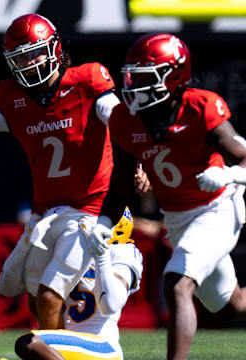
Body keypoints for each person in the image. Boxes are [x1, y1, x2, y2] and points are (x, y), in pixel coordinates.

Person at [0, 13, 148, 330]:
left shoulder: (87, 80)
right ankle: (58, 350)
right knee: (36, 300)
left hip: (92, 210)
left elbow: (118, 117)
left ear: (55, 49)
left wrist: (139, 157)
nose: (28, 63)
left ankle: (51, 348)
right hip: (46, 215)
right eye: (19, 58)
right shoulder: (12, 98)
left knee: (52, 296)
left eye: (34, 53)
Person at [87, 33, 246, 360]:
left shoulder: (200, 106)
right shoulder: (124, 119)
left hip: (217, 207)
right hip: (177, 217)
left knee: (177, 282)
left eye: (143, 77)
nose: (132, 85)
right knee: (230, 306)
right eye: (131, 76)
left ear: (172, 77)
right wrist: (103, 222)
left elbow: (243, 155)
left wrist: (228, 173)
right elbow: (121, 186)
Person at [0, 207, 143, 360]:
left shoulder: (123, 251)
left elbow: (109, 306)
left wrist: (101, 254)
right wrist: (25, 240)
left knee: (29, 343)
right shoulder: (65, 248)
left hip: (102, 347)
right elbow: (6, 288)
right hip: (64, 347)